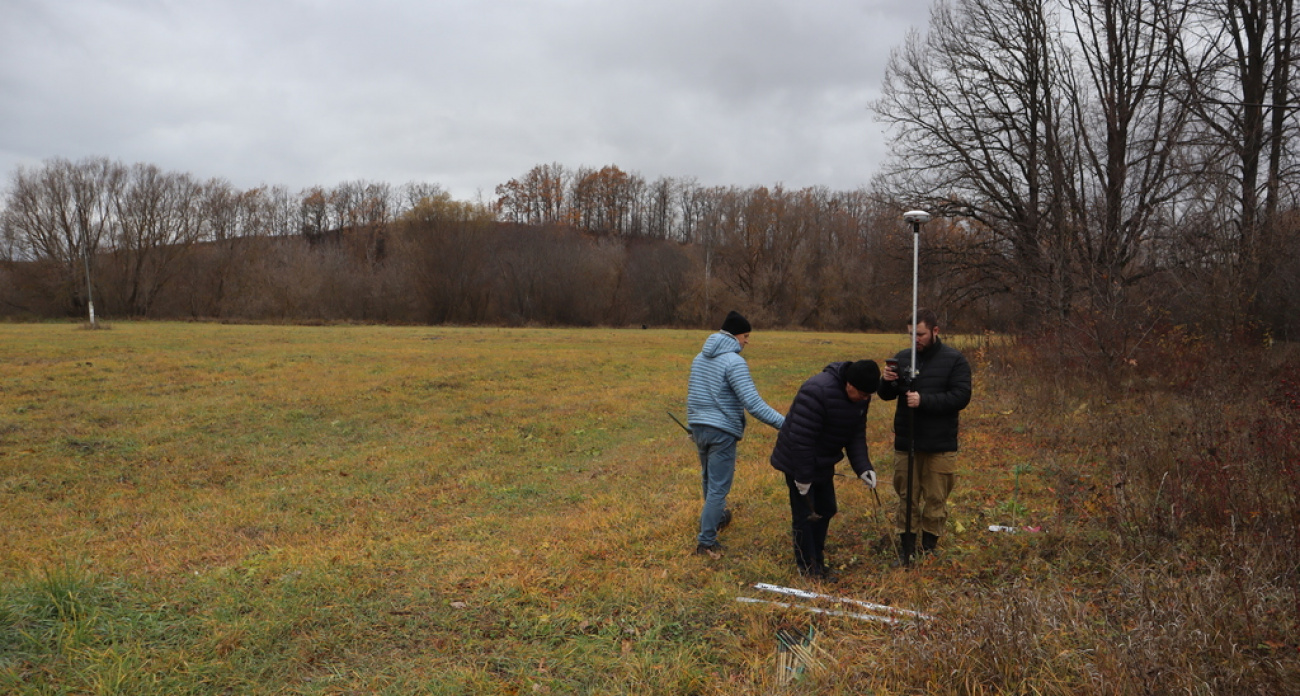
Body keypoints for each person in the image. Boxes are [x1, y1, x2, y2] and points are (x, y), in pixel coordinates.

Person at [769, 360, 880, 580]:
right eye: (861, 394)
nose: (865, 399)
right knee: (806, 514)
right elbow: (801, 440)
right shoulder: (817, 391)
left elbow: (856, 434)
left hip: (823, 461)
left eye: (869, 396)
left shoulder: (862, 397)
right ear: (849, 383)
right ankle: (808, 569)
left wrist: (863, 468)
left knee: (827, 508)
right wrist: (802, 477)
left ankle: (816, 556)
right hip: (797, 460)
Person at [687, 310, 786, 558]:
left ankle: (717, 517)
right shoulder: (734, 362)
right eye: (746, 335)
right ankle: (706, 542)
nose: (747, 341)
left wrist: (693, 426)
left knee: (709, 479)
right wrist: (787, 424)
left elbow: (693, 395)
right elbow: (753, 404)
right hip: (721, 431)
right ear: (735, 336)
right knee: (719, 486)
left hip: (699, 427)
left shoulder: (699, 358)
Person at [877, 308, 972, 564]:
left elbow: (961, 396)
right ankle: (906, 548)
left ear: (935, 331)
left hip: (940, 443)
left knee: (935, 497)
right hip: (907, 441)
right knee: (907, 496)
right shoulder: (904, 358)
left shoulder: (954, 360)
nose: (914, 340)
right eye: (910, 335)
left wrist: (924, 400)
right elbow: (886, 394)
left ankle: (929, 548)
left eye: (919, 334)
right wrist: (886, 381)